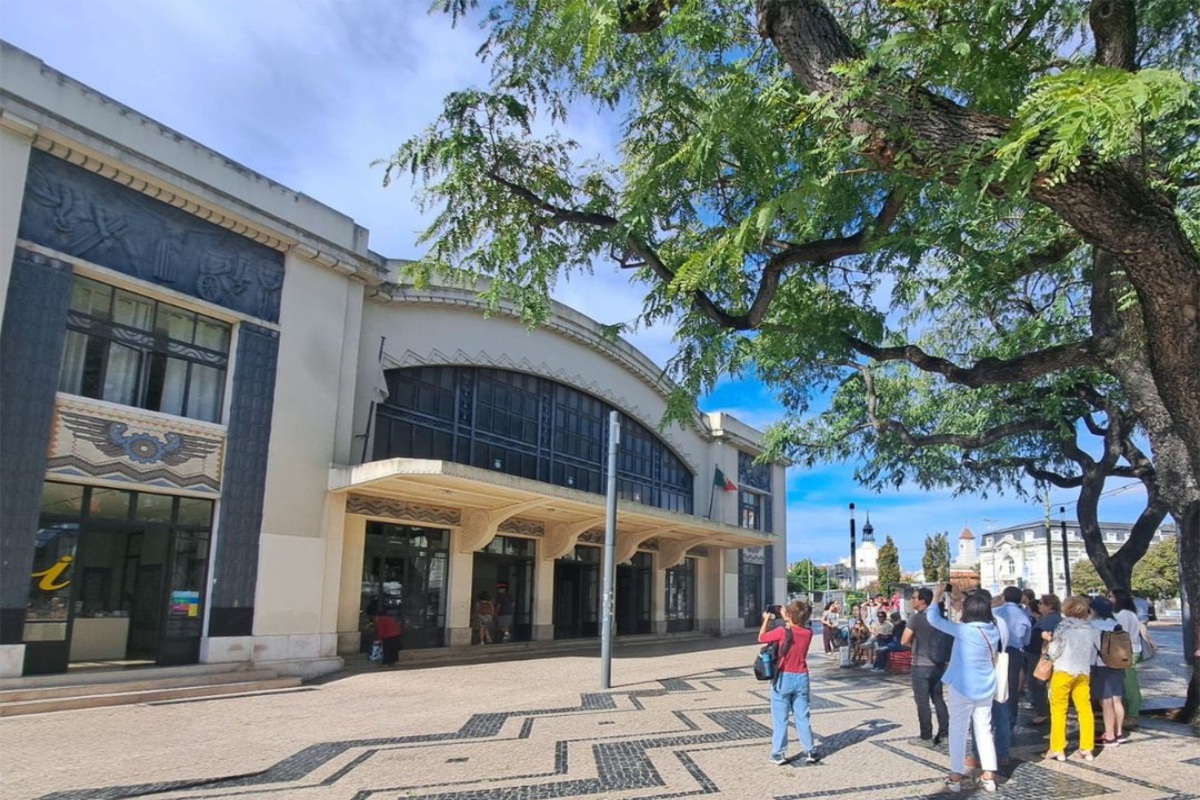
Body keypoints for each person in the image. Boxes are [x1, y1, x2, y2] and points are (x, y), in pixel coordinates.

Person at [926, 583, 1000, 794]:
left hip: (962, 686)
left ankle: (956, 777)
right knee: (984, 731)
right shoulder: (993, 631)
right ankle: (989, 777)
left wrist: (937, 595)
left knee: (957, 730)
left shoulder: (963, 630)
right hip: (986, 685)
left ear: (968, 611)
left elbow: (934, 619)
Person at [758, 600, 820, 765]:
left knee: (780, 718)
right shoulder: (808, 633)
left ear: (790, 614)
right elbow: (796, 627)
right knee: (802, 716)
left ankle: (778, 753)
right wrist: (788, 615)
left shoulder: (781, 631)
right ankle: (810, 751)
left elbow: (761, 637)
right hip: (801, 677)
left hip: (784, 677)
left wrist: (766, 619)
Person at [1044, 595, 1099, 762]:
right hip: (1083, 671)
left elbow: (1054, 651)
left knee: (1059, 709)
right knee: (1085, 709)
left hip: (1063, 670)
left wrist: (1047, 642)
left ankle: (1058, 747)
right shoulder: (1090, 627)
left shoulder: (1063, 626)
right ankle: (1087, 747)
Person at [902, 587, 949, 748]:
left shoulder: (917, 619)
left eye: (914, 597)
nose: (912, 600)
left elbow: (904, 640)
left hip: (920, 664)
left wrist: (915, 647)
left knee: (922, 702)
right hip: (938, 664)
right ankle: (944, 734)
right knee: (938, 698)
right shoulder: (940, 618)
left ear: (923, 600)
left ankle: (926, 736)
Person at [1110, 588, 1156, 728]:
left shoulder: (1123, 615)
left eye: (1111, 596)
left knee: (1129, 683)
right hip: (1128, 650)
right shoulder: (1129, 613)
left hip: (1126, 651)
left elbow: (1120, 634)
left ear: (1118, 599)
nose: (1109, 599)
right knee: (1127, 681)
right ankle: (1129, 712)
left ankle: (1133, 713)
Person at [1089, 597, 1128, 748]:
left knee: (1106, 701)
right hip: (1118, 663)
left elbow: (1093, 650)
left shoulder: (1093, 626)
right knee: (1117, 699)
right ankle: (1119, 732)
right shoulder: (1117, 624)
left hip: (1101, 665)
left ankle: (1109, 735)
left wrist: (1090, 668)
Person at [992, 586, 1032, 733]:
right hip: (1014, 652)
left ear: (1004, 597)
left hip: (997, 650)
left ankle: (994, 716)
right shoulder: (1024, 616)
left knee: (996, 684)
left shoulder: (995, 612)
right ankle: (1011, 718)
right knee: (1012, 686)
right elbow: (1027, 640)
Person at [1028, 594, 1062, 724]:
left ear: (1050, 606)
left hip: (1040, 655)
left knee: (1037, 682)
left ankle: (1042, 713)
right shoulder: (1047, 618)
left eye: (1041, 603)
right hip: (1038, 654)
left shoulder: (1050, 620)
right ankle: (1042, 710)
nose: (1039, 605)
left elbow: (1041, 637)